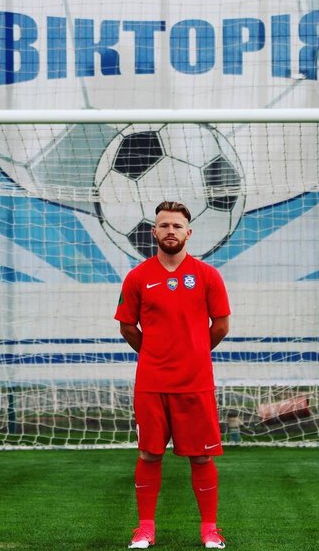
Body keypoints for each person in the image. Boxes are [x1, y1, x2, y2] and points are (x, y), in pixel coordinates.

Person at [115, 201, 231, 549]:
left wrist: (193, 353)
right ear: (153, 231)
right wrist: (155, 354)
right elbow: (127, 327)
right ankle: (144, 529)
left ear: (188, 233)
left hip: (195, 382)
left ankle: (209, 530)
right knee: (149, 454)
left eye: (177, 226)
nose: (170, 231)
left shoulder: (207, 275)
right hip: (152, 383)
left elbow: (221, 325)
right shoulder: (138, 277)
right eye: (164, 225)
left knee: (202, 456)